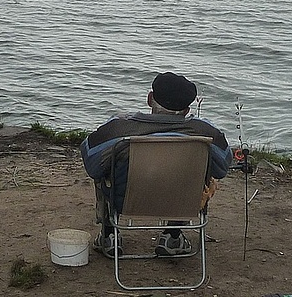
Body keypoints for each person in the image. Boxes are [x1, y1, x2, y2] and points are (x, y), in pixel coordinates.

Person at [80, 72, 232, 258]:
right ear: (186, 110)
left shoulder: (118, 129)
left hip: (125, 202)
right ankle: (172, 237)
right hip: (182, 202)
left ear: (150, 98)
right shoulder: (205, 132)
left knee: (104, 171)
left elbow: (92, 165)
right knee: (204, 176)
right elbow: (222, 168)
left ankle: (109, 236)